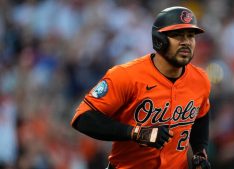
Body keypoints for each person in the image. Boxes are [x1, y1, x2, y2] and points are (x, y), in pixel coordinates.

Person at [71, 6, 211, 169]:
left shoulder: (200, 79)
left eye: (190, 36)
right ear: (160, 40)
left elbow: (201, 115)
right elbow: (83, 119)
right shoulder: (126, 75)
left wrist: (199, 152)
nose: (186, 42)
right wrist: (135, 132)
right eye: (177, 35)